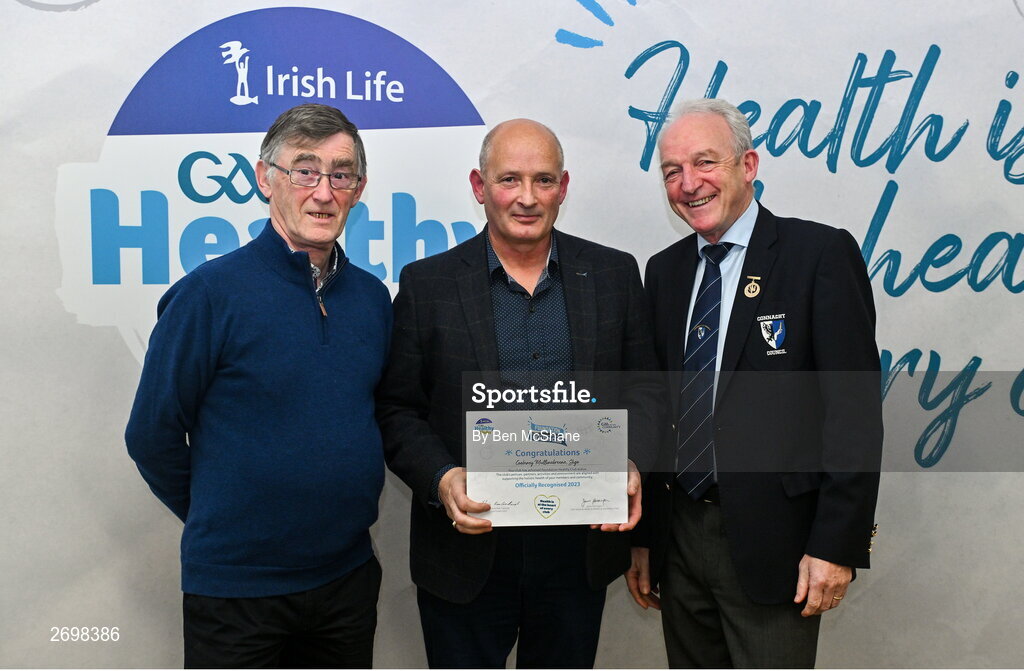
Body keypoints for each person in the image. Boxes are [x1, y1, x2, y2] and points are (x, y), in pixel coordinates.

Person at [377, 118, 660, 668]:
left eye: (544, 181)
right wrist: (440, 477)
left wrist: (632, 460)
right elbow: (395, 408)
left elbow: (647, 388)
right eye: (509, 180)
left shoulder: (614, 274)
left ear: (564, 187)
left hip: (578, 550)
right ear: (480, 187)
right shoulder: (426, 285)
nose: (527, 198)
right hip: (466, 550)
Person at [125, 103, 391, 668]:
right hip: (236, 594)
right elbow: (152, 434)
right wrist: (223, 516)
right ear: (264, 178)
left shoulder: (372, 300)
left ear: (358, 188)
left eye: (340, 174)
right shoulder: (208, 295)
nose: (323, 192)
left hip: (345, 582)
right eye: (304, 170)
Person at [626, 98, 882, 668]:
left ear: (749, 165)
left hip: (779, 546)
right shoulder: (663, 272)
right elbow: (659, 410)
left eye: (705, 163)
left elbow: (854, 414)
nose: (688, 183)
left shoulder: (818, 254)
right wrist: (645, 538)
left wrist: (834, 544)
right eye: (672, 171)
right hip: (680, 536)